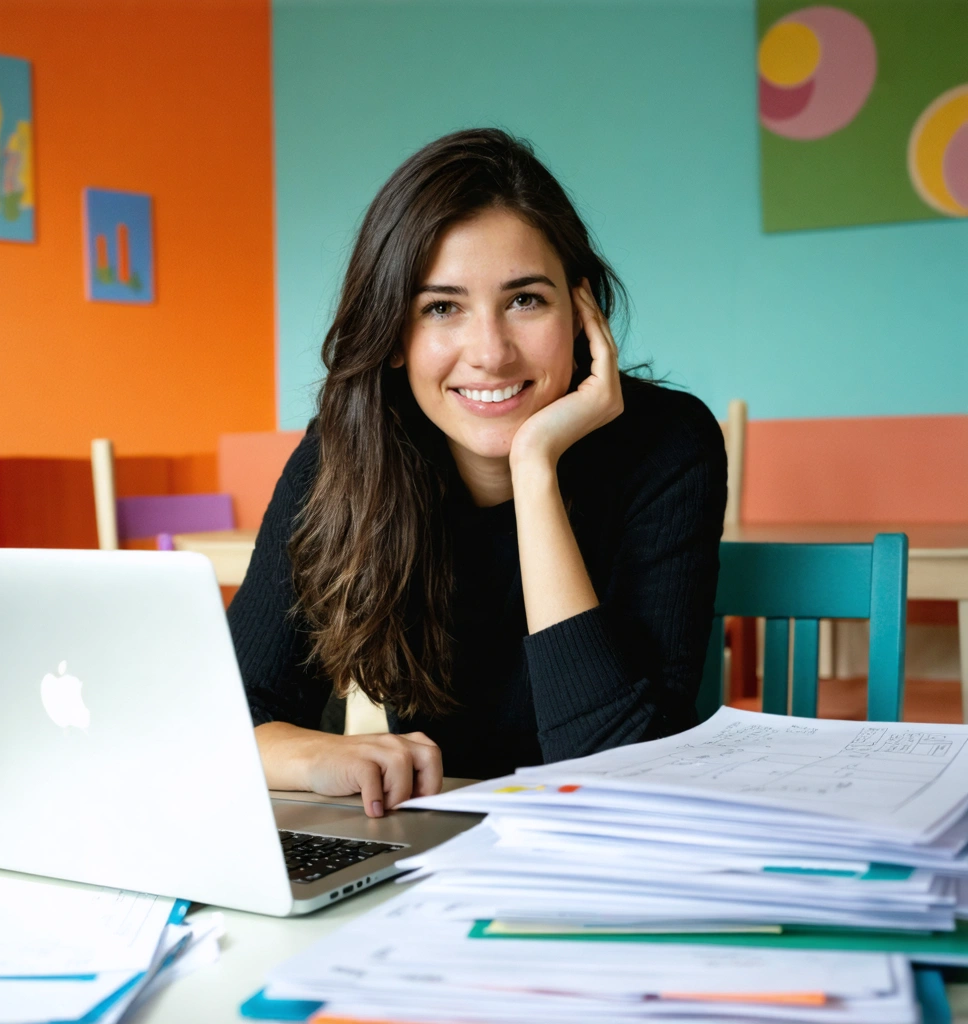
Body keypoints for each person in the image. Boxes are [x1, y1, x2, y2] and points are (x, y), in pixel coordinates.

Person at [228, 128, 727, 817]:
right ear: (393, 335)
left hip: (612, 863)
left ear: (582, 315)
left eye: (525, 300)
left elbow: (617, 774)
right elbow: (230, 717)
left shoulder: (667, 446)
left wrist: (535, 469)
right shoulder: (345, 457)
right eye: (442, 308)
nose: (489, 352)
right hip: (433, 854)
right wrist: (319, 755)